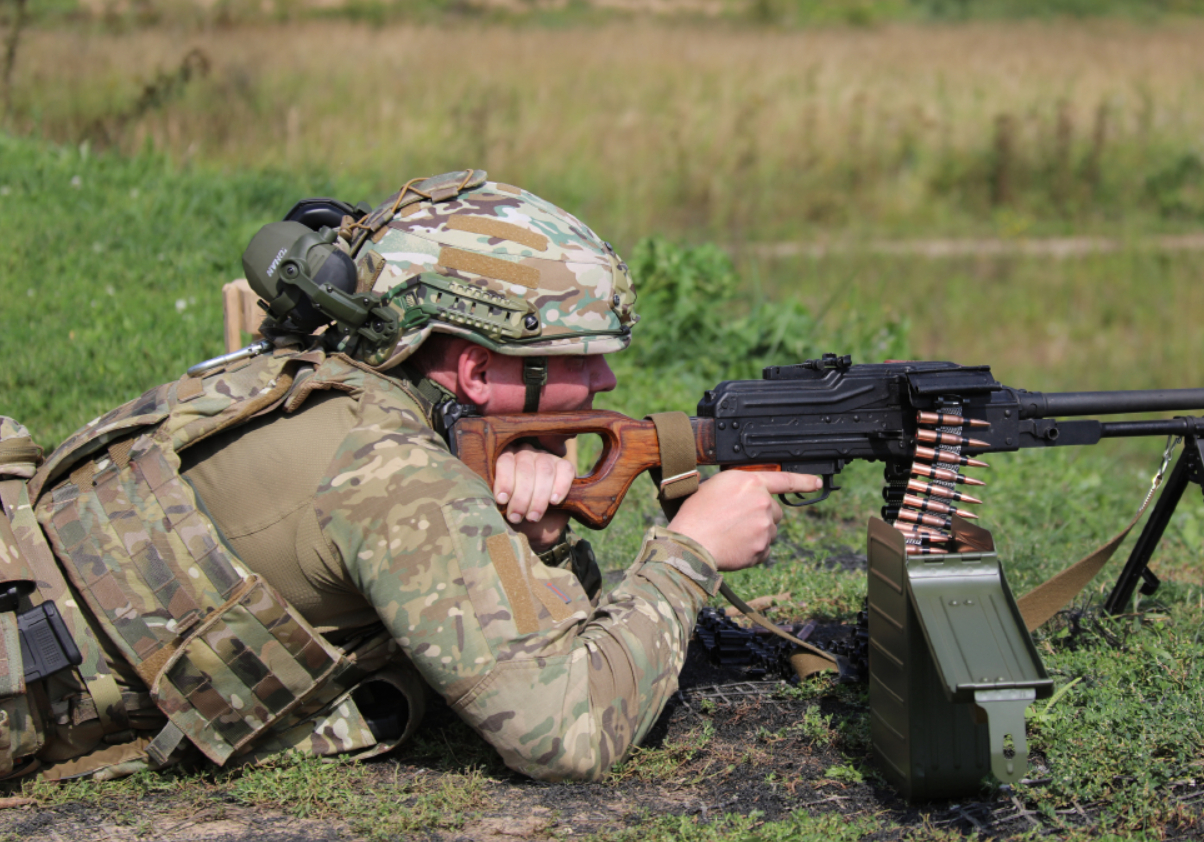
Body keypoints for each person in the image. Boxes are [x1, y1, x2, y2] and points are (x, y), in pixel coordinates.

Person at [0, 169, 819, 782]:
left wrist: (533, 541)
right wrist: (687, 552)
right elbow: (562, 735)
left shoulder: (317, 378)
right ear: (473, 368)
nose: (603, 384)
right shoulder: (393, 476)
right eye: (576, 358)